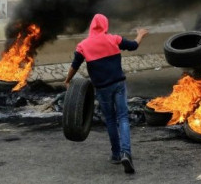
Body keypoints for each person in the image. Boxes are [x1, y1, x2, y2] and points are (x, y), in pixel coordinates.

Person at [63, 14, 149, 174]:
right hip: (118, 84)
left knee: (110, 119)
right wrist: (140, 34)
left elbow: (75, 65)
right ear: (105, 25)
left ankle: (116, 155)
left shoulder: (83, 45)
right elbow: (133, 46)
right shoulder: (113, 39)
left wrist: (67, 80)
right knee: (123, 117)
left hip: (102, 88)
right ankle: (126, 153)